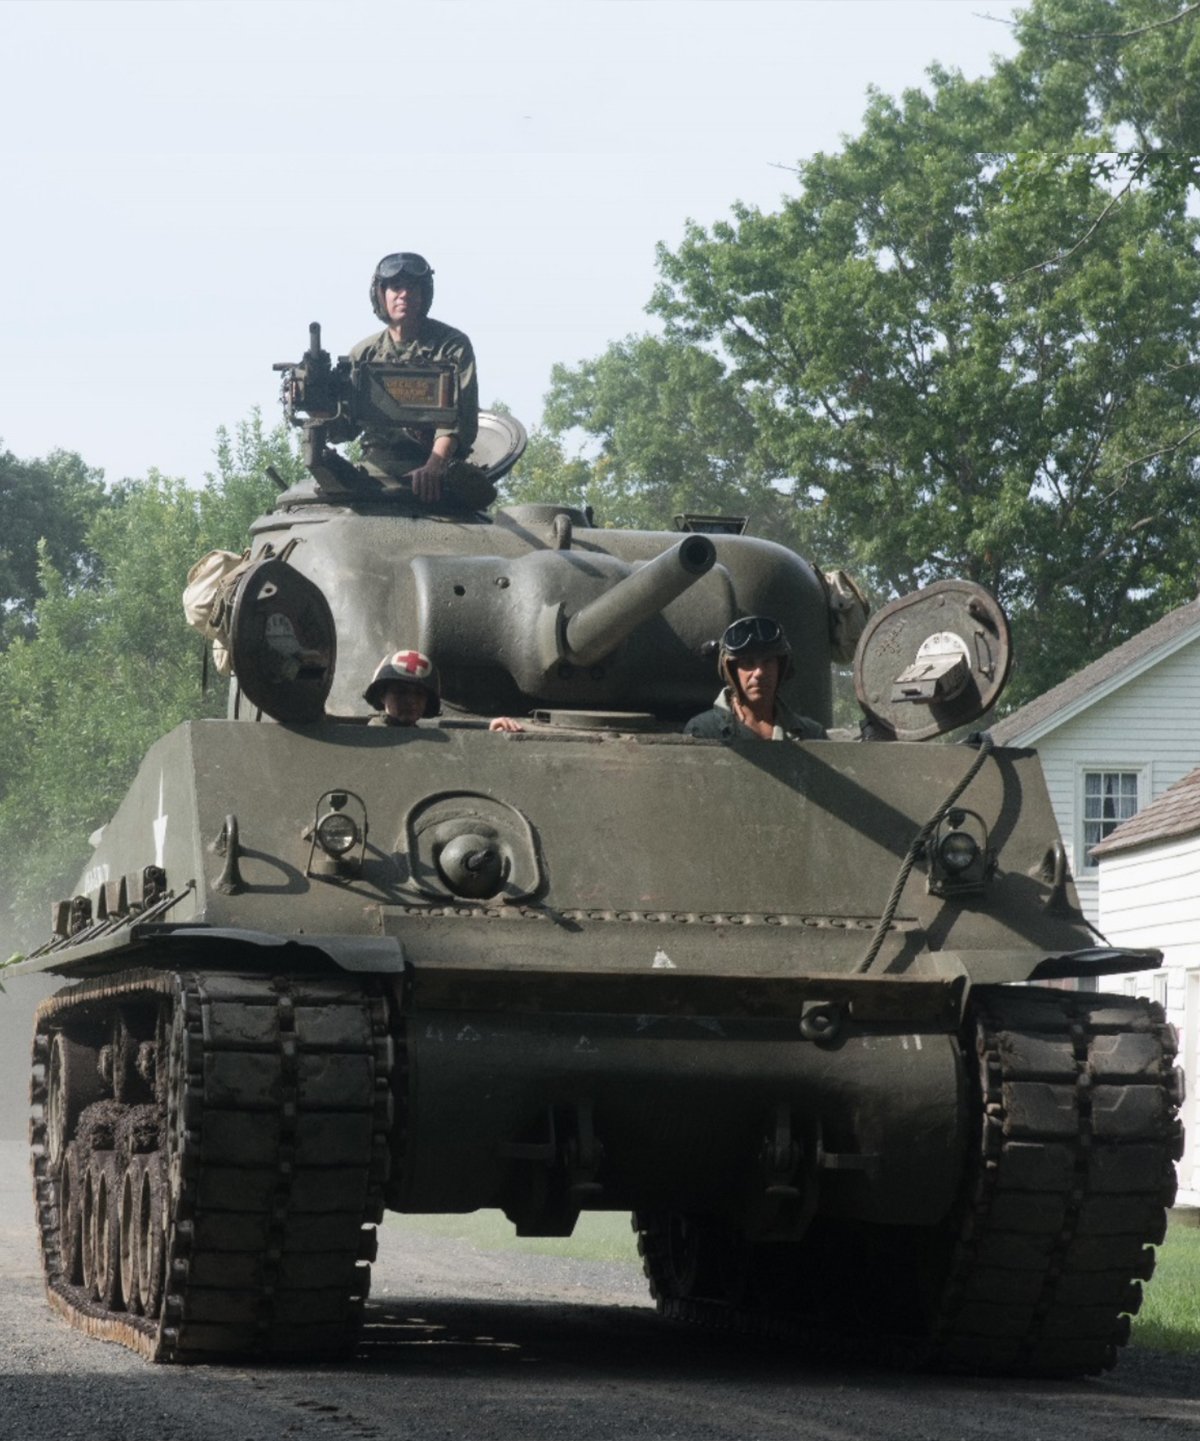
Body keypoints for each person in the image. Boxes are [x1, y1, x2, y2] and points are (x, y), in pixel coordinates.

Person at [348, 252, 479, 503]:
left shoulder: (451, 346)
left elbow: (459, 417)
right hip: (377, 469)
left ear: (424, 294)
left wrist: (435, 465)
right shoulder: (364, 354)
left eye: (412, 288)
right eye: (396, 287)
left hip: (436, 470)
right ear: (380, 294)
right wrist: (318, 405)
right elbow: (344, 425)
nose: (404, 294)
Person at [685, 616, 826, 741]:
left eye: (768, 661)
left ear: (781, 668)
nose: (759, 672)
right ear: (733, 672)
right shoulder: (704, 732)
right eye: (748, 663)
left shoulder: (811, 734)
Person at [364, 648, 442, 727]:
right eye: (400, 692)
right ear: (382, 696)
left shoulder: (427, 736)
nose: (411, 700)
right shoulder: (367, 736)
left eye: (419, 693)